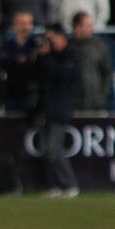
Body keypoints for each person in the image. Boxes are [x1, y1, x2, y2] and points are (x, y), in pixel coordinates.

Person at [36, 22, 80, 197]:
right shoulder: (48, 57)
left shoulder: (71, 56)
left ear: (61, 37)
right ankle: (53, 186)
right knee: (47, 150)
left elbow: (60, 75)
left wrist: (45, 57)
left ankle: (70, 185)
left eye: (51, 38)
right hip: (45, 108)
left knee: (54, 149)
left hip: (60, 109)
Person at [0, 10, 41, 114]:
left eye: (28, 23)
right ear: (14, 25)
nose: (26, 27)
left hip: (32, 96)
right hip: (11, 95)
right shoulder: (6, 46)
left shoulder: (37, 45)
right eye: (22, 23)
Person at [69, 11, 112, 113]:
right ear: (77, 27)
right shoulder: (68, 47)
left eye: (91, 26)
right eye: (87, 26)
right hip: (73, 104)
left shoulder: (99, 46)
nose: (91, 29)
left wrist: (102, 96)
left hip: (96, 103)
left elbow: (107, 72)